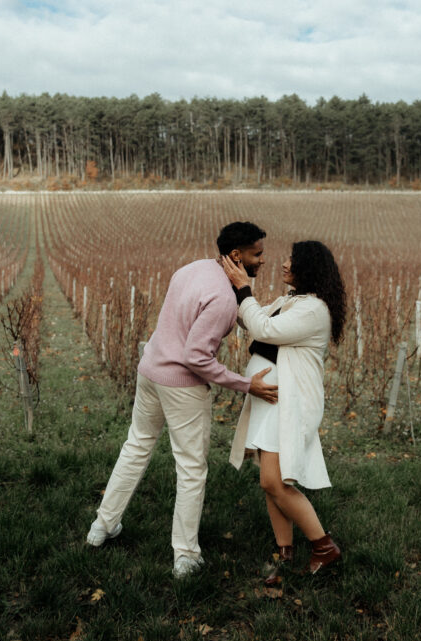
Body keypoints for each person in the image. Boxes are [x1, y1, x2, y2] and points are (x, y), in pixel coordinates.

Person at [86, 222, 278, 579]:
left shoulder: (192, 269)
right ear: (236, 256)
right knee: (191, 469)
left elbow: (188, 319)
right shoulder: (222, 298)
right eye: (258, 253)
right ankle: (186, 556)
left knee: (136, 447)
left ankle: (101, 527)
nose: (263, 260)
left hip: (150, 371)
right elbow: (197, 358)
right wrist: (245, 384)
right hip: (182, 387)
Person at [220, 240, 346, 584]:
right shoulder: (291, 301)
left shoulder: (314, 310)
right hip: (268, 402)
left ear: (309, 268)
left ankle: (323, 546)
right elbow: (253, 320)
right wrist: (234, 290)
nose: (284, 264)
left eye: (292, 260)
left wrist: (244, 289)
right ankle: (284, 551)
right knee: (270, 483)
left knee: (273, 480)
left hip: (288, 403)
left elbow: (264, 329)